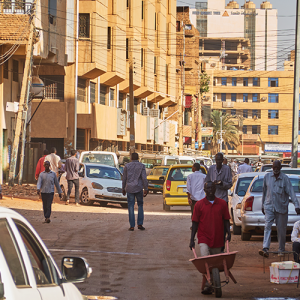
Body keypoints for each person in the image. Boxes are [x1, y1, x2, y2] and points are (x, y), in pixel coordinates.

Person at [189, 181, 231, 295]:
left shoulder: (222, 204)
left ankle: (209, 283)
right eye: (208, 188)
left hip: (218, 239)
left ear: (215, 189)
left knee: (214, 263)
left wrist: (229, 233)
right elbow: (195, 223)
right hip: (204, 238)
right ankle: (209, 283)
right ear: (204, 190)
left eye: (212, 188)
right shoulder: (199, 205)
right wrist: (192, 239)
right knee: (206, 259)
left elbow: (226, 219)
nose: (211, 190)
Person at [259, 160, 300, 257]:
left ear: (280, 168)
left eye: (277, 167)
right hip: (269, 206)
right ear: (272, 168)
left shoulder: (285, 179)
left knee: (281, 230)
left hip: (281, 208)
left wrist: (296, 205)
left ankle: (281, 249)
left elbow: (291, 192)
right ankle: (265, 248)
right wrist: (263, 205)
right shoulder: (267, 177)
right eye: (274, 167)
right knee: (267, 226)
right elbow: (264, 192)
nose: (275, 169)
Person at [122, 153, 148, 231]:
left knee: (130, 206)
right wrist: (146, 188)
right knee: (140, 205)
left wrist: (123, 188)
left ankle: (132, 226)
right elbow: (144, 178)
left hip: (129, 188)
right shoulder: (141, 166)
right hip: (138, 188)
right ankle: (140, 224)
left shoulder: (127, 166)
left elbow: (124, 178)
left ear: (131, 158)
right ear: (138, 158)